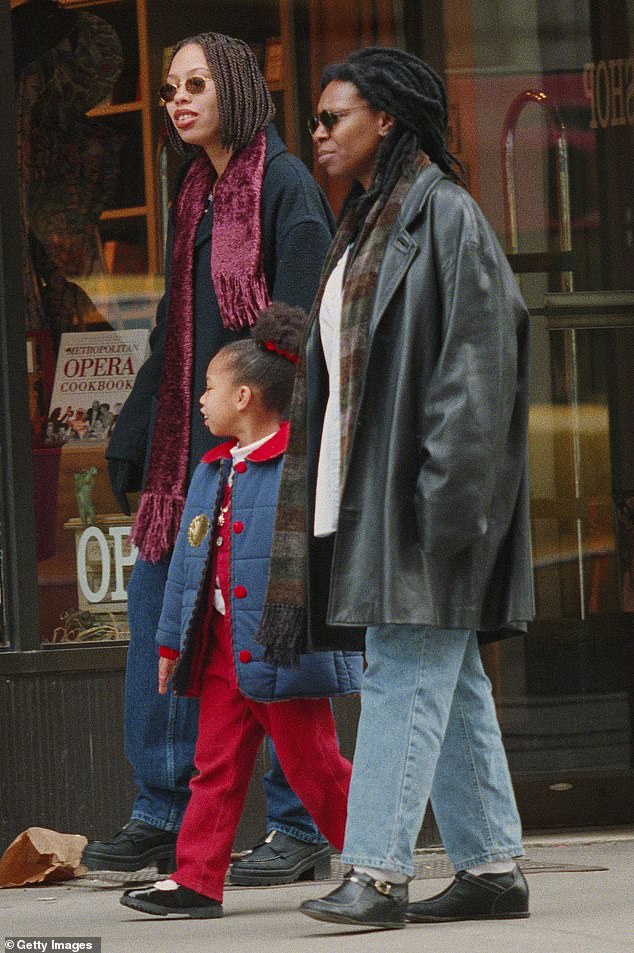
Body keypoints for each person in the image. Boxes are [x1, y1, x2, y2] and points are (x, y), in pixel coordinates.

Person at [254, 47, 534, 930]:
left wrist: (446, 505)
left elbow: (479, 368)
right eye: (317, 119)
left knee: (402, 672)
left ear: (387, 118)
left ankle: (376, 872)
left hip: (426, 502)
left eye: (334, 117)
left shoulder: (442, 215)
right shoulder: (369, 222)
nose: (319, 133)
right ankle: (491, 868)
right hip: (376, 496)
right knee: (446, 682)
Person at [82, 32, 336, 883]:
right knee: (162, 618)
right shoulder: (195, 190)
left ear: (234, 89)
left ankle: (299, 825)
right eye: (167, 88)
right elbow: (171, 328)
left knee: (269, 643)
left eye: (196, 85)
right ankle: (161, 810)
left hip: (260, 459)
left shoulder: (286, 188)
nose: (178, 100)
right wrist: (139, 426)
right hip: (186, 463)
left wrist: (259, 431)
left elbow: (299, 328)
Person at [119, 305, 362, 918]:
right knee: (214, 766)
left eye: (209, 387)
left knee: (317, 769)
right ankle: (196, 879)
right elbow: (184, 572)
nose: (201, 400)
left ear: (246, 396)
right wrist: (171, 644)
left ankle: (373, 865)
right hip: (224, 647)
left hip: (284, 650)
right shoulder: (211, 470)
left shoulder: (299, 466)